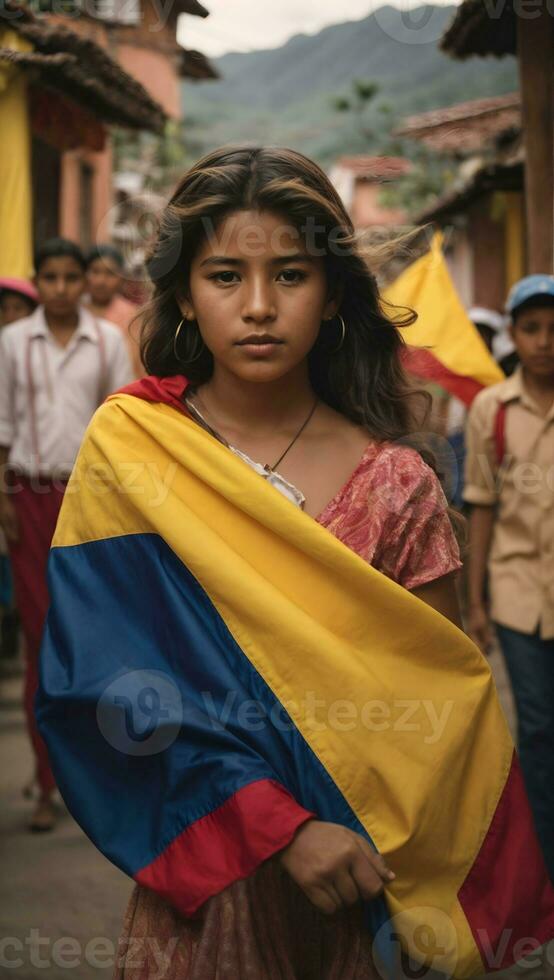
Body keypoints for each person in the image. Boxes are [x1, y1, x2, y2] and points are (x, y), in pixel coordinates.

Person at [36, 150, 554, 979]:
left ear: (335, 293)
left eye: (290, 274)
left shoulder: (396, 486)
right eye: (223, 275)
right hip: (211, 883)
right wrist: (274, 825)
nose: (258, 307)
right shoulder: (134, 452)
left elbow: (434, 720)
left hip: (364, 891)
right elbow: (99, 683)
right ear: (182, 295)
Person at [0, 237, 133, 832]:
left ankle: (91, 776)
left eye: (67, 277)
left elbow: (122, 426)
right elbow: (1, 425)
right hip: (28, 494)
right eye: (47, 277)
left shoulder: (107, 342)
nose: (58, 287)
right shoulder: (10, 343)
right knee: (38, 635)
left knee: (91, 636)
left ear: (83, 282)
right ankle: (46, 782)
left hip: (90, 498)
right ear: (39, 281)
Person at [465, 273, 554, 882]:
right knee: (540, 730)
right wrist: (474, 603)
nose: (546, 341)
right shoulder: (490, 411)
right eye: (532, 329)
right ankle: (545, 870)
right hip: (520, 599)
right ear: (514, 336)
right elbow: (482, 507)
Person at [0, 279, 38, 661]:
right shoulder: (10, 348)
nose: (10, 317)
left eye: (18, 308)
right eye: (3, 309)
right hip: (20, 484)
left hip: (64, 482)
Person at [84, 244, 143, 378]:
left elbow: (136, 363)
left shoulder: (131, 315)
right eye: (95, 272)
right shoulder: (75, 311)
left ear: (121, 278)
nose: (101, 281)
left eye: (110, 273)